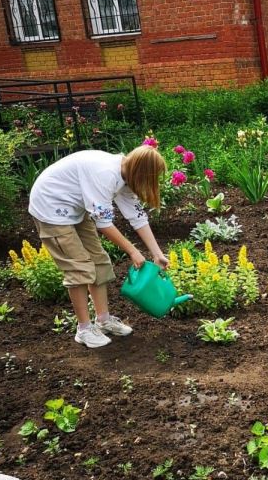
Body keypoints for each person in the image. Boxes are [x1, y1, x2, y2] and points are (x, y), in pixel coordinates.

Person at [29, 145, 169, 348]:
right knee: (79, 266)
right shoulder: (105, 174)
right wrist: (132, 250)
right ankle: (84, 330)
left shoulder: (126, 174)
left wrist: (157, 254)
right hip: (51, 206)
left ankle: (103, 320)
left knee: (99, 261)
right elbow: (104, 224)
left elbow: (137, 216)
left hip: (75, 207)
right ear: (141, 172)